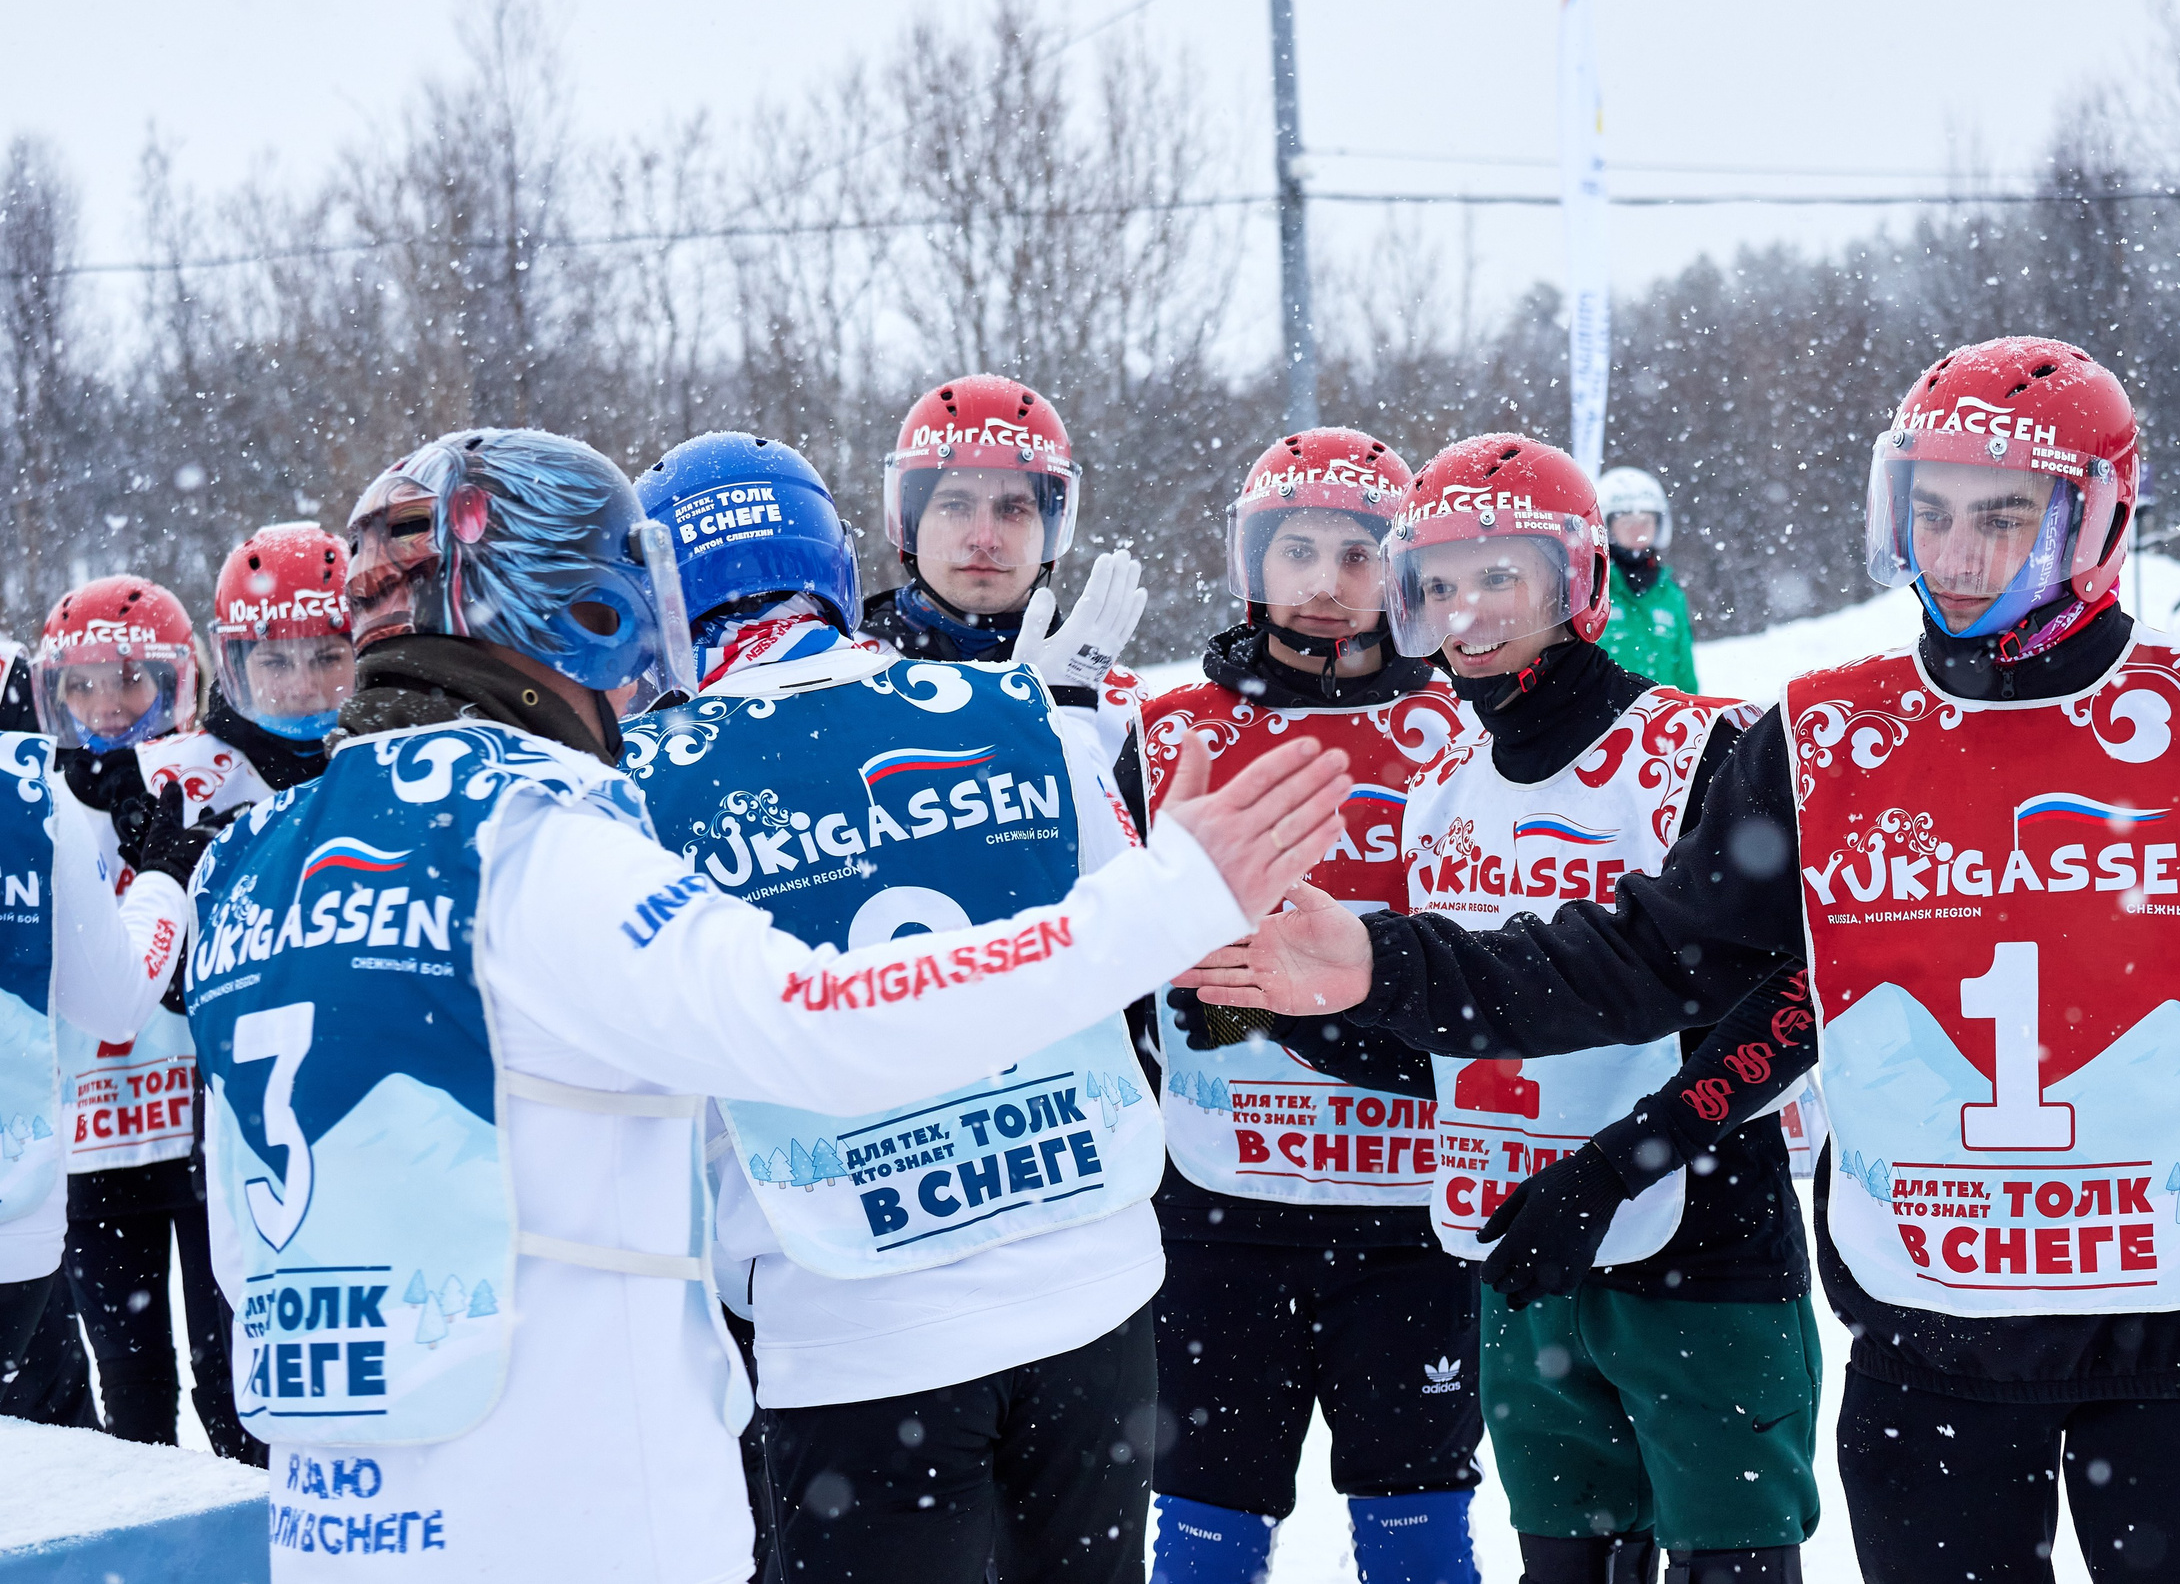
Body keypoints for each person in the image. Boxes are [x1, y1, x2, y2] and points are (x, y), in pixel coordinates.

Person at [1182, 339, 2180, 1584]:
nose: (1958, 556)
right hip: (1928, 1344)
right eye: (1933, 512)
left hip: (2177, 1339)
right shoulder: (1828, 735)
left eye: (2004, 517)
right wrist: (1381, 968)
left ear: (2096, 521)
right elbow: (1642, 956)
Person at [186, 425, 1349, 1582]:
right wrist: (1169, 898)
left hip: (352, 1513)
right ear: (590, 609)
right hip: (576, 1502)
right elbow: (822, 1026)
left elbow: (243, 1254)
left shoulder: (247, 859)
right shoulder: (532, 833)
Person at [1211, 435, 1817, 1584]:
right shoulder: (1443, 785)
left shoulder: (1701, 748)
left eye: (1498, 575)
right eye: (1435, 584)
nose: (1466, 616)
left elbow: (1795, 1007)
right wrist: (1288, 1007)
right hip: (1520, 1266)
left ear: (1575, 580)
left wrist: (1623, 1162)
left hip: (1699, 1258)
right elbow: (1456, 1039)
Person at [622, 430, 1168, 1584]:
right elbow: (1136, 948)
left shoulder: (635, 783)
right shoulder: (1018, 709)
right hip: (1091, 1283)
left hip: (854, 1323)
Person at [1117, 430, 1481, 1584]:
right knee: (1205, 1522)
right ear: (1251, 563)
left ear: (1405, 569)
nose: (1325, 584)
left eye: (1359, 555)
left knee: (1418, 1520)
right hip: (1221, 1201)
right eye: (1298, 551)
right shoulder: (1172, 729)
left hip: (1413, 1205)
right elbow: (1112, 955)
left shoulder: (1463, 729)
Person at [29, 574, 233, 1448]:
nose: (106, 705)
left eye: (129, 679)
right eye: (80, 683)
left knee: (235, 1393)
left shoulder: (208, 780)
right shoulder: (39, 802)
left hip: (199, 1130)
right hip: (95, 1142)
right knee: (134, 1409)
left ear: (176, 681)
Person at [0, 752, 206, 1433]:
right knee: (48, 1475)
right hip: (15, 1216)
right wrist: (164, 880)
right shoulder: (28, 793)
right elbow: (115, 998)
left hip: (49, 1194)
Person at [860, 374, 1149, 755]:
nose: (984, 538)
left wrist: (1068, 706)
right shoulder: (843, 676)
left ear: (1050, 531)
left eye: (1012, 509)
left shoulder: (1123, 707)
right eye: (955, 506)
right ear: (911, 524)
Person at [1592, 467, 1696, 694]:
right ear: (1607, 528)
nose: (1637, 531)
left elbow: (1685, 675)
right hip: (1605, 724)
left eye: (1645, 522)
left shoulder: (1671, 596)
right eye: (1627, 523)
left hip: (1664, 724)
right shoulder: (1591, 590)